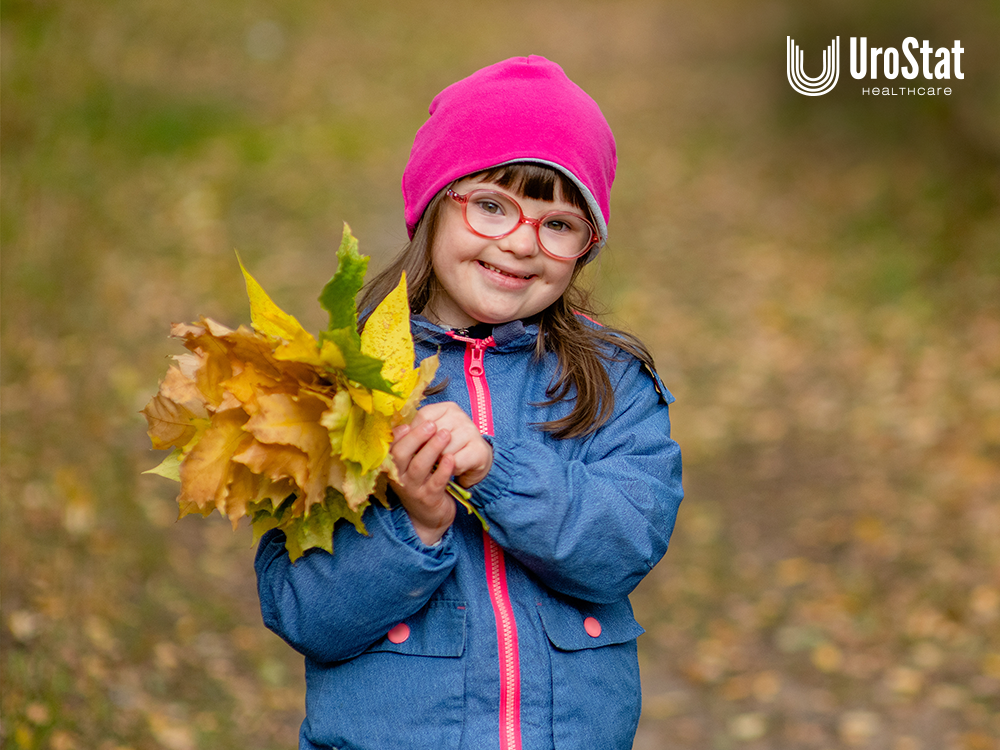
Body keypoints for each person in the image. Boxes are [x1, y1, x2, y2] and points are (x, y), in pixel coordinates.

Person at [255, 55, 683, 750]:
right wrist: (416, 527)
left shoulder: (610, 382)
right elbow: (306, 612)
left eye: (559, 223)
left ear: (587, 245)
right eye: (491, 205)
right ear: (433, 203)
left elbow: (624, 547)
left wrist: (497, 472)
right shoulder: (339, 383)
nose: (521, 242)